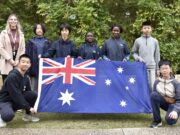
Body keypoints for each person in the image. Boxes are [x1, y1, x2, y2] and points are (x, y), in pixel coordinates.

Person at [0, 54, 39, 128]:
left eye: (27, 62)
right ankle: (1, 115)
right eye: (23, 62)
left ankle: (27, 116)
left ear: (30, 65)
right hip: (5, 101)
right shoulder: (12, 76)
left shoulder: (26, 77)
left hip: (15, 101)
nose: (25, 64)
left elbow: (28, 93)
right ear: (18, 63)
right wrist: (29, 107)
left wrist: (30, 107)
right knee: (8, 116)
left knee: (33, 94)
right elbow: (16, 95)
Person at [150, 60, 180, 128]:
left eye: (166, 68)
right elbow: (155, 97)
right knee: (153, 95)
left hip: (173, 104)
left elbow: (179, 100)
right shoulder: (157, 82)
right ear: (160, 70)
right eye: (162, 68)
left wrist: (175, 111)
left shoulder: (176, 83)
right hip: (164, 103)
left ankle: (176, 112)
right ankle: (157, 121)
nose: (164, 70)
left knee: (170, 121)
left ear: (170, 69)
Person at [132, 21, 160, 90]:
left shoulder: (155, 41)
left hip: (152, 67)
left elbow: (157, 55)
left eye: (148, 28)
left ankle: (151, 100)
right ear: (141, 29)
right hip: (141, 67)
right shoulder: (137, 40)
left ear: (151, 29)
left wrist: (158, 68)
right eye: (145, 28)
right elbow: (133, 52)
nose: (147, 29)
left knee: (152, 86)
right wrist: (138, 58)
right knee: (142, 85)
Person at [0, 14, 25, 83]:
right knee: (7, 82)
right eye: (11, 19)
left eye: (15, 19)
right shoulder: (3, 33)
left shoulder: (21, 34)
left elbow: (23, 49)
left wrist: (18, 60)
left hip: (17, 61)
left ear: (17, 22)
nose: (13, 21)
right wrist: (10, 59)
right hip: (7, 60)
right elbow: (0, 48)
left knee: (16, 83)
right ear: (8, 21)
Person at [26, 23, 51, 91]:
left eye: (40, 28)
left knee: (44, 88)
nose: (39, 30)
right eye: (37, 28)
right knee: (34, 87)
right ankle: (33, 101)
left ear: (43, 30)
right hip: (33, 67)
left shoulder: (48, 42)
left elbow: (51, 54)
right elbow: (27, 55)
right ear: (35, 30)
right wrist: (27, 68)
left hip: (44, 68)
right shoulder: (31, 42)